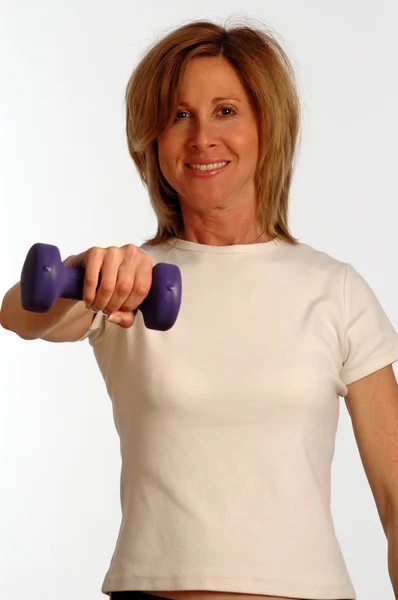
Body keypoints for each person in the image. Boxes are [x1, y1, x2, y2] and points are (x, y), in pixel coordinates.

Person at [1, 17, 398, 600]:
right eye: (179, 115)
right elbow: (20, 315)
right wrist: (85, 269)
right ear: (153, 140)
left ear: (268, 126)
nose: (202, 138)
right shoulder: (124, 281)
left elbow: (395, 500)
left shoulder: (335, 289)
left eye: (226, 111)